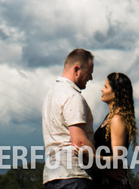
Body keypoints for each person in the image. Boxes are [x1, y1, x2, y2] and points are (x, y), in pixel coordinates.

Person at [42, 48, 95, 189]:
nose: (91, 78)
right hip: (73, 175)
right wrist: (105, 167)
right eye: (89, 73)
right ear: (76, 69)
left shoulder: (50, 94)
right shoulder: (72, 96)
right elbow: (80, 141)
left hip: (52, 175)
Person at [91, 72, 137, 189]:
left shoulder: (117, 120)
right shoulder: (109, 117)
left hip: (113, 183)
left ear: (116, 93)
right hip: (105, 180)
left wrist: (92, 157)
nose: (102, 89)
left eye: (106, 87)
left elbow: (118, 157)